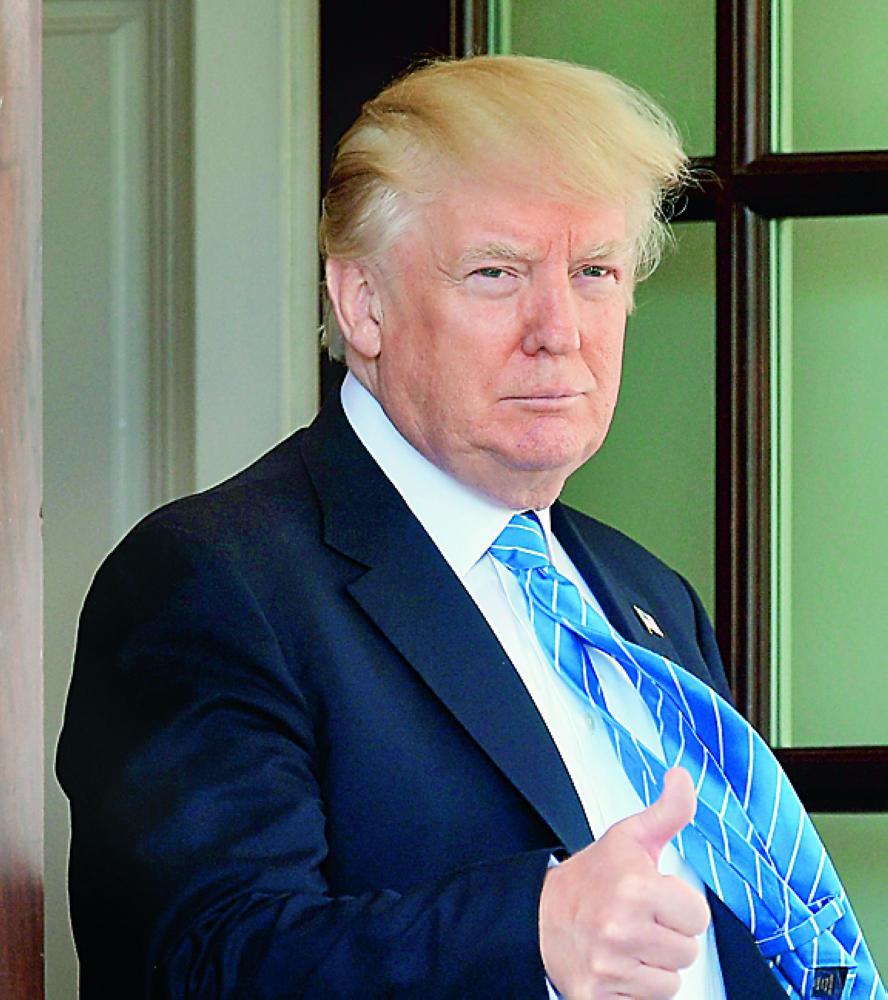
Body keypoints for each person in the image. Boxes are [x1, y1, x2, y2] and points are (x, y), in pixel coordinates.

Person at [57, 56, 883, 999]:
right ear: (361, 303)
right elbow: (199, 964)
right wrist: (529, 930)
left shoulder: (650, 600)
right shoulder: (212, 583)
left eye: (594, 272)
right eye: (497, 273)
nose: (559, 329)